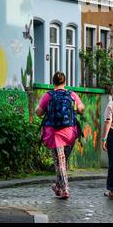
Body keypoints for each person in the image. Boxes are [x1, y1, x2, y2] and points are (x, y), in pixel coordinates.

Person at [35, 71, 85, 199]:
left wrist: (40, 108)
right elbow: (81, 109)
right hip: (70, 132)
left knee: (60, 162)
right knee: (61, 161)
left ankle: (65, 189)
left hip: (55, 133)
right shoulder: (71, 94)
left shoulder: (48, 95)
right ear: (65, 82)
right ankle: (58, 186)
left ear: (53, 82)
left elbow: (39, 113)